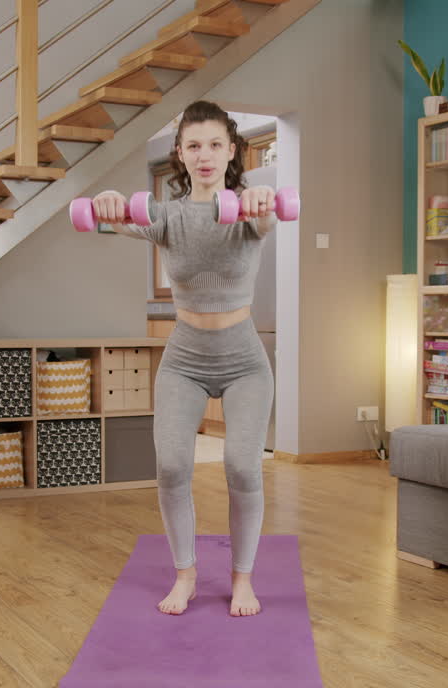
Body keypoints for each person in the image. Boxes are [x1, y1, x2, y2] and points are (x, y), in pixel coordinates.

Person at [91, 100, 277, 617]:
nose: (205, 155)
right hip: (185, 359)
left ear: (231, 150)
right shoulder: (167, 215)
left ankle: (242, 581)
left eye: (215, 144)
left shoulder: (247, 211)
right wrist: (109, 203)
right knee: (172, 465)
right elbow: (116, 224)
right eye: (193, 145)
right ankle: (186, 575)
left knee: (242, 466)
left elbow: (264, 221)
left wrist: (260, 198)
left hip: (243, 359)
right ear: (180, 153)